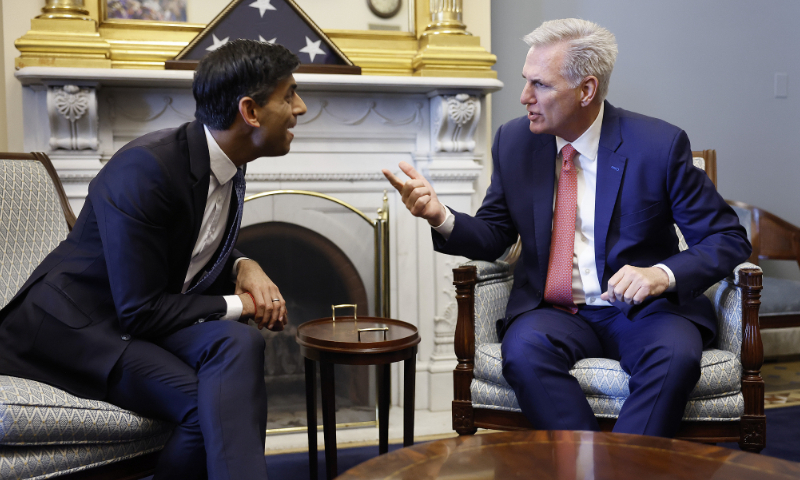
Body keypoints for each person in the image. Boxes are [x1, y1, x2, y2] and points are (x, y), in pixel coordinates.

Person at [383, 18, 751, 438]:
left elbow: (728, 238)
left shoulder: (658, 146)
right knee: (521, 352)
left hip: (644, 312)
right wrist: (440, 217)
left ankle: (620, 464)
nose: (524, 98)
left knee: (675, 356)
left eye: (540, 85)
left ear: (586, 90)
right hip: (555, 312)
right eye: (526, 81)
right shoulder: (514, 141)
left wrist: (660, 274)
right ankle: (588, 463)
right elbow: (495, 234)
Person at [0, 39, 307, 478]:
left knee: (242, 341)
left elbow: (188, 244)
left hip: (142, 314)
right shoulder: (145, 169)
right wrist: (243, 304)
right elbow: (140, 311)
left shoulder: (228, 160)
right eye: (289, 95)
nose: (301, 108)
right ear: (250, 112)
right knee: (205, 409)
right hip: (78, 325)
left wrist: (243, 265)